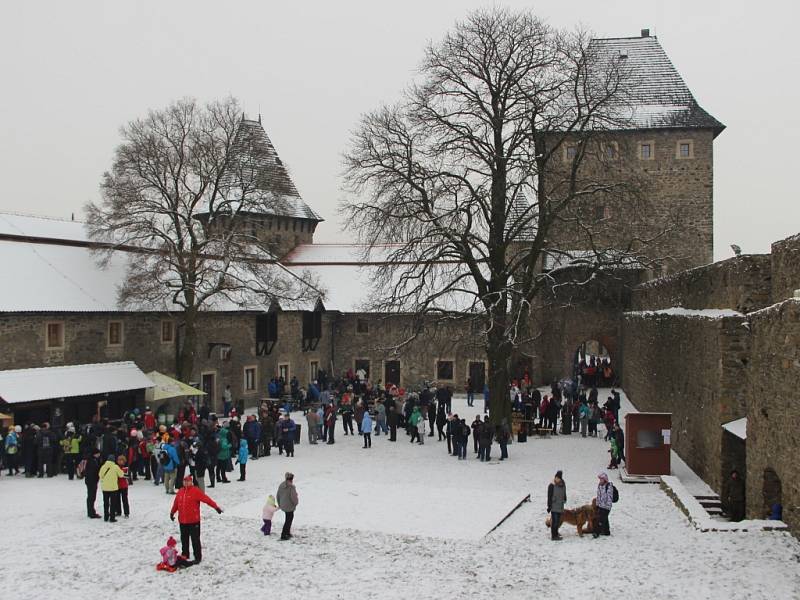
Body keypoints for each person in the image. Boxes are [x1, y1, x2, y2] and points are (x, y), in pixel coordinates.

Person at [170, 474, 223, 564]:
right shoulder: (180, 491)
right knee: (184, 538)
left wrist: (216, 507)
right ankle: (185, 553)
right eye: (184, 481)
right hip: (182, 520)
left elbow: (206, 499)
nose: (186, 483)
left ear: (191, 482)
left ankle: (198, 556)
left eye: (188, 481)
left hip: (194, 521)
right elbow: (176, 503)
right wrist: (172, 512)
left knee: (195, 539)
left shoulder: (195, 491)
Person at [99, 454, 124, 522]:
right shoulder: (115, 467)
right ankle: (112, 518)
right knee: (112, 504)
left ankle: (106, 517)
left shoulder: (103, 466)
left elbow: (100, 475)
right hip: (113, 488)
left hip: (105, 488)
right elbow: (121, 475)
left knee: (106, 503)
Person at [276, 472, 299, 541]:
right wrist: (296, 503)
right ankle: (284, 534)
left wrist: (280, 504)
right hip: (289, 506)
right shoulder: (291, 487)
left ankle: (287, 533)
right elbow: (293, 497)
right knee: (289, 520)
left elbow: (278, 495)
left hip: (283, 505)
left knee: (288, 519)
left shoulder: (281, 485)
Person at [593, 472, 614, 538]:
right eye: (600, 479)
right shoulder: (599, 486)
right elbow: (598, 496)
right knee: (605, 519)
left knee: (600, 520)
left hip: (606, 506)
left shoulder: (609, 486)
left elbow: (609, 497)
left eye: (601, 479)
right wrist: (597, 504)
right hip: (600, 505)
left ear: (605, 479)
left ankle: (597, 532)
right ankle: (606, 531)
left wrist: (607, 505)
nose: (600, 480)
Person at [547, 470, 566, 541]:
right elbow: (549, 496)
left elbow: (564, 492)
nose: (557, 479)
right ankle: (553, 536)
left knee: (558, 522)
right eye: (556, 478)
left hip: (560, 505)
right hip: (554, 506)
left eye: (558, 478)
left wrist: (565, 499)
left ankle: (556, 533)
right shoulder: (551, 485)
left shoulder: (563, 484)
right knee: (554, 521)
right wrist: (549, 506)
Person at [84, 448, 102, 519]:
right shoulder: (92, 461)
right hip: (92, 481)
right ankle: (91, 512)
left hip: (90, 481)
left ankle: (90, 511)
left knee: (90, 496)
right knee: (91, 497)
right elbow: (93, 472)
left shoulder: (92, 460)